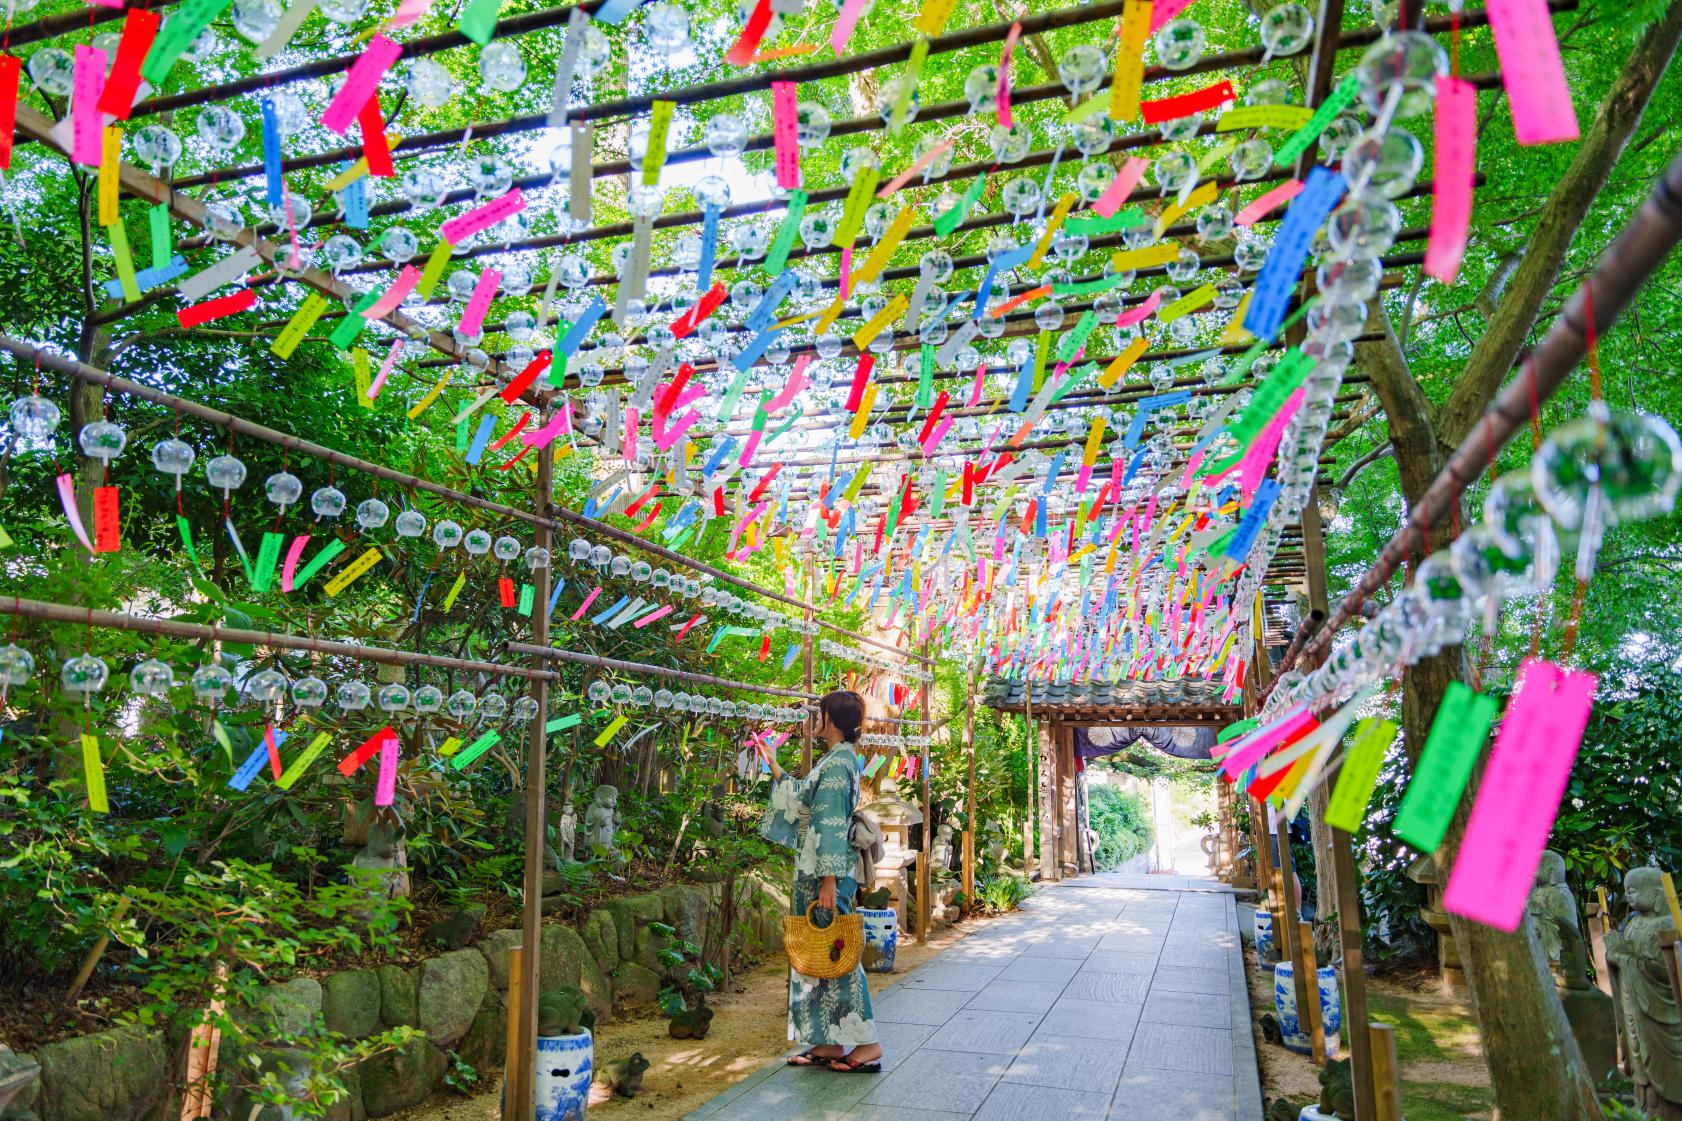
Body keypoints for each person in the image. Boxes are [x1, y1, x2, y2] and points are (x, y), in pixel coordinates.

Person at [764, 689, 882, 1074]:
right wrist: (775, 766)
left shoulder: (836, 764)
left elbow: (830, 824)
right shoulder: (837, 760)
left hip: (825, 874)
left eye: (821, 713)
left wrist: (829, 881)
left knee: (837, 954)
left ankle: (867, 1044)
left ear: (832, 720)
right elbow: (801, 796)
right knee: (818, 956)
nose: (816, 718)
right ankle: (829, 1043)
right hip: (819, 870)